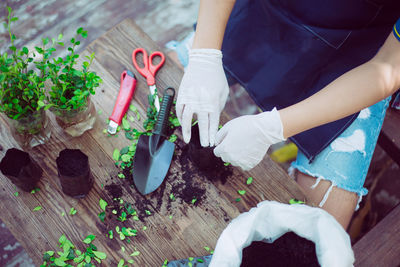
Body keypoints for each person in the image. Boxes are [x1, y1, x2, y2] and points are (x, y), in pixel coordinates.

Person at [175, 0, 400, 229]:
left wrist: (274, 127)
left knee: (319, 227)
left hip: (360, 56)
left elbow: (389, 67)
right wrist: (204, 55)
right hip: (266, 14)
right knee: (171, 82)